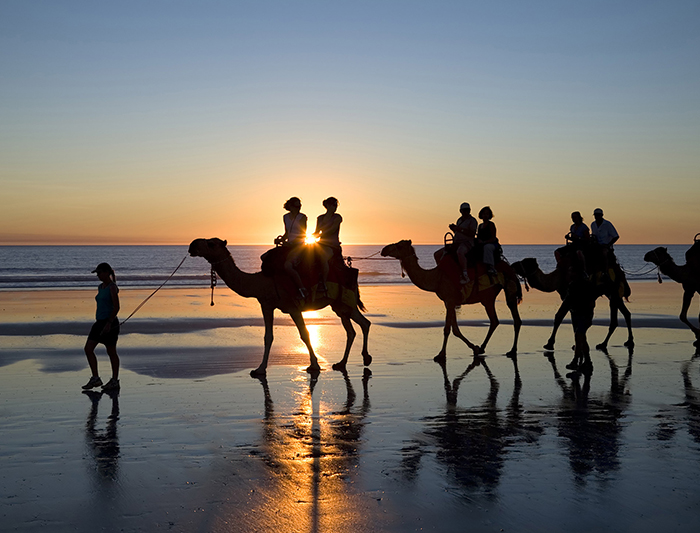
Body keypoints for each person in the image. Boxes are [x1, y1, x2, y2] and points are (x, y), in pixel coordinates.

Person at [82, 262, 121, 391]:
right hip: (99, 322)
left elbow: (116, 308)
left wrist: (109, 324)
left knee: (111, 352)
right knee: (88, 349)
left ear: (106, 272)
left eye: (99, 273)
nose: (98, 275)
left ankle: (115, 380)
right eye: (97, 273)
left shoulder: (112, 287)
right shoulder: (100, 287)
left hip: (109, 323)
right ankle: (96, 378)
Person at [278, 197, 308, 299]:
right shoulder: (285, 217)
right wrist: (281, 239)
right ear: (290, 206)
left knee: (288, 265)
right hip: (288, 245)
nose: (299, 208)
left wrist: (292, 244)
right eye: (296, 206)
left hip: (299, 246)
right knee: (265, 257)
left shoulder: (302, 217)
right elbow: (287, 233)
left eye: (300, 206)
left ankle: (302, 289)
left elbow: (303, 235)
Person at [313, 197, 342, 291]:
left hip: (332, 245)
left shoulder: (337, 217)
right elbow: (317, 232)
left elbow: (332, 230)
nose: (335, 207)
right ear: (327, 206)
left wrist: (320, 235)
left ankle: (323, 283)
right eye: (333, 205)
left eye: (336, 205)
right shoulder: (320, 218)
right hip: (321, 244)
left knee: (323, 257)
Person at [449, 202, 477, 284]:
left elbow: (472, 233)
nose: (465, 212)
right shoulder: (459, 220)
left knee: (460, 252)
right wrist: (454, 229)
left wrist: (458, 229)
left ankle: (465, 274)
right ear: (460, 211)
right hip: (457, 242)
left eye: (466, 210)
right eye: (463, 210)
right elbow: (458, 232)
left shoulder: (472, 221)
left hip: (467, 243)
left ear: (469, 210)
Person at [590, 208, 619, 273]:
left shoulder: (607, 224)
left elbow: (616, 236)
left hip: (606, 246)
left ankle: (605, 271)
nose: (597, 217)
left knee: (604, 253)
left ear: (602, 215)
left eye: (598, 215)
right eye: (595, 215)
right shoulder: (593, 224)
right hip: (596, 246)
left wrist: (608, 245)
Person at [477, 206, 499, 274]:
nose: (485, 215)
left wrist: (484, 242)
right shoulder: (480, 226)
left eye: (487, 214)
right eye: (484, 214)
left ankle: (491, 267)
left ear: (489, 215)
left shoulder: (491, 225)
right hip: (482, 244)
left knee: (487, 247)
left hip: (492, 244)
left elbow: (493, 238)